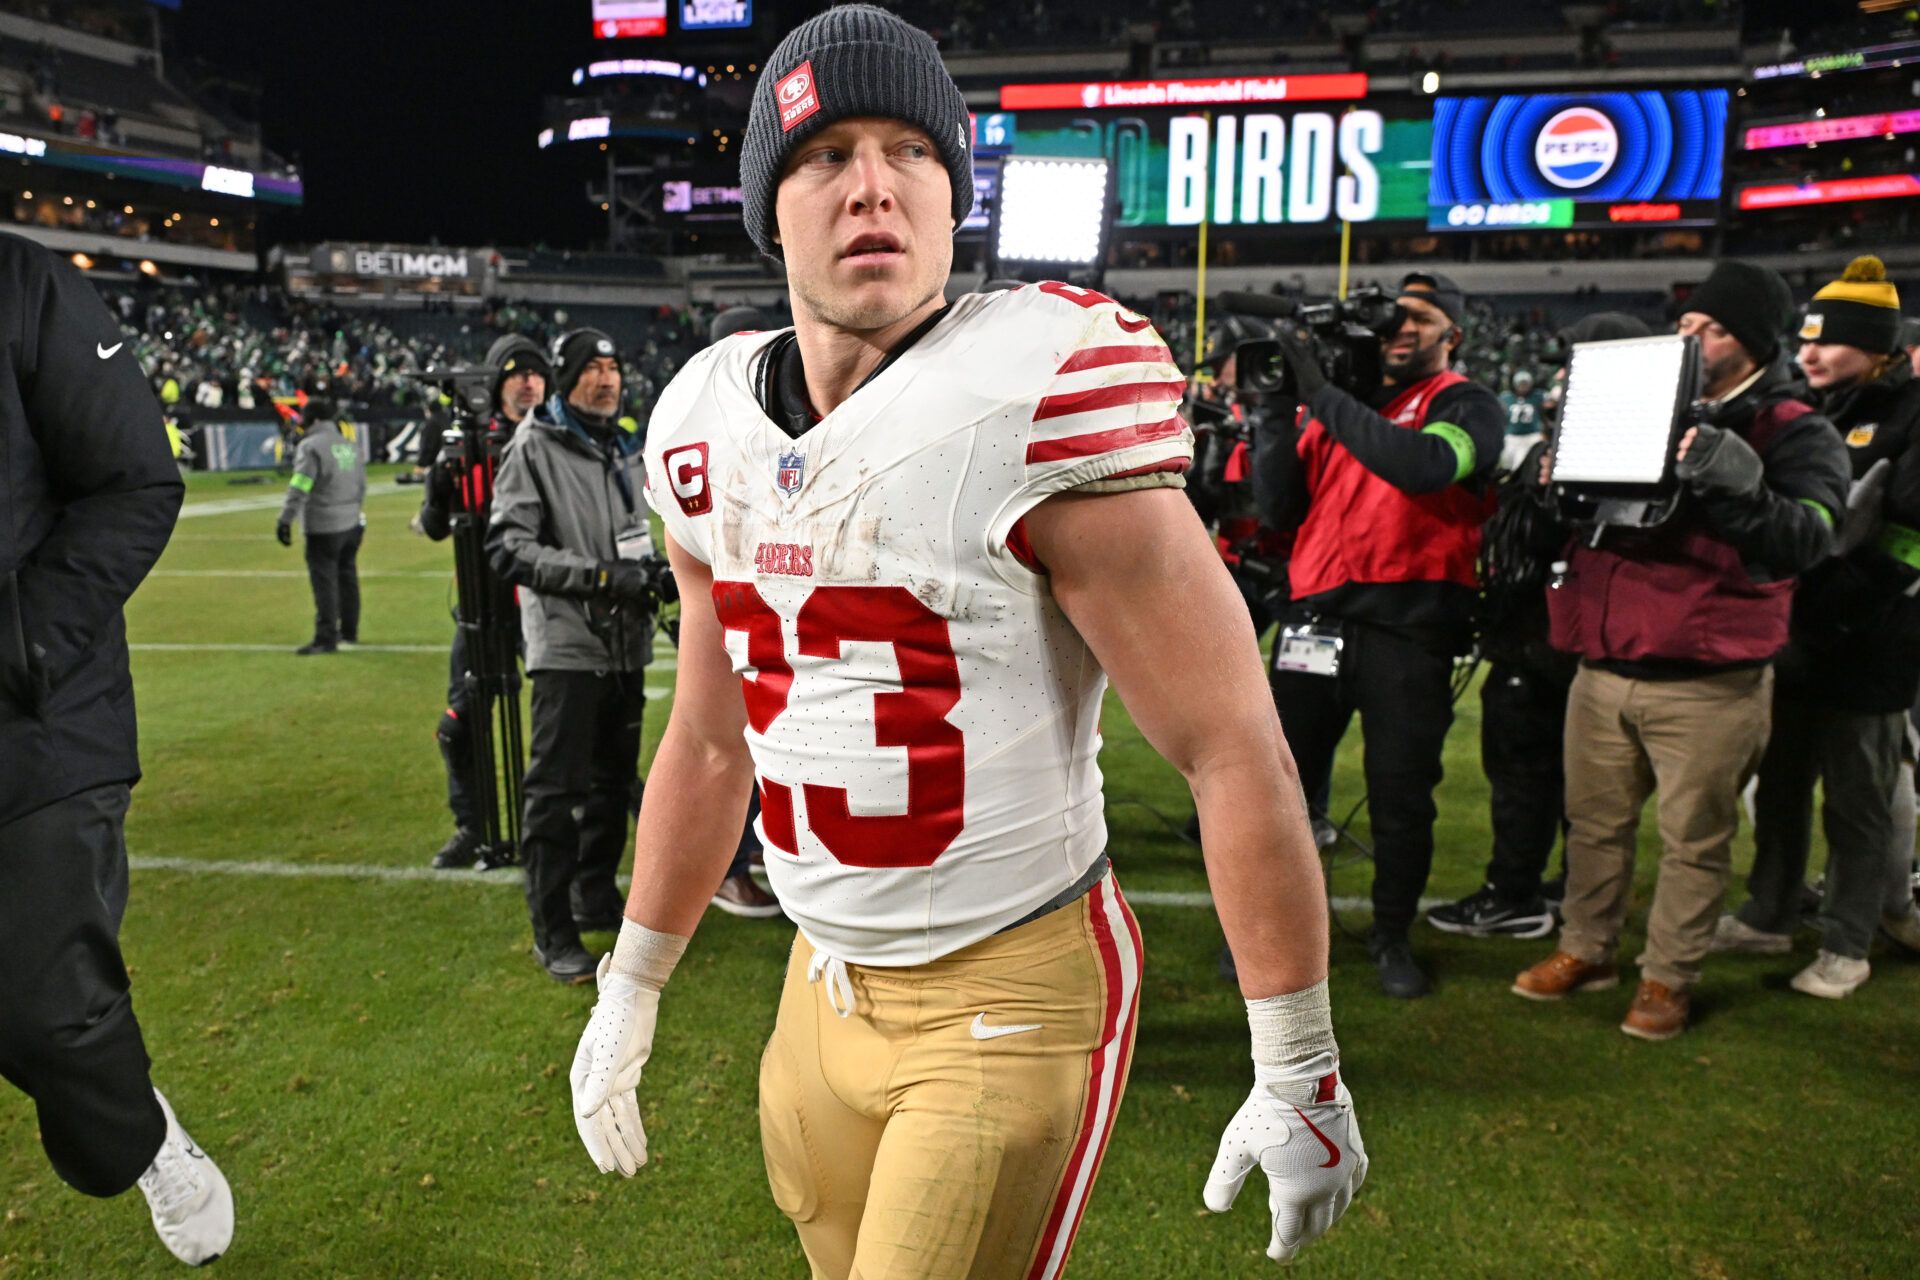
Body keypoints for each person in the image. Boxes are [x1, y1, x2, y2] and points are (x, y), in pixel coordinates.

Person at [567, 7, 1365, 1276]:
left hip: (1012, 977)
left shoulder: (1041, 387)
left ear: (954, 193)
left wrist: (1301, 1054)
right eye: (827, 154)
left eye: (911, 152)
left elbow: (1230, 746)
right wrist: (636, 977)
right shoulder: (700, 417)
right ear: (769, 206)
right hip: (817, 974)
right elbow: (713, 743)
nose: (874, 185)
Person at [1514, 260, 1850, 1040]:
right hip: (1602, 663)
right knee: (1593, 825)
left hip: (1709, 675)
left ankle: (1667, 976)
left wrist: (1740, 486)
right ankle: (1587, 949)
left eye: (1717, 328)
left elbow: (1808, 539)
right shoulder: (1632, 401)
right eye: (1690, 323)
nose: (1693, 337)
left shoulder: (1797, 427)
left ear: (1759, 345)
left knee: (1695, 840)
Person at [0, 231, 232, 1264]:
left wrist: (22, 641)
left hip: (41, 715)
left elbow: (138, 480)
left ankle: (134, 1133)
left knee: (53, 1010)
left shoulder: (23, 281)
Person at [1259, 271, 1506, 997]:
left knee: (1400, 798)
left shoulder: (1466, 404)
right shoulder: (1338, 410)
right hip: (1314, 624)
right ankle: (1266, 938)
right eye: (1392, 315)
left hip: (1409, 634)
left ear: (1452, 336)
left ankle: (1391, 937)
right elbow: (1278, 510)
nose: (1401, 327)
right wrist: (1278, 412)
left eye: (1421, 317)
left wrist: (1322, 396)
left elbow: (1423, 466)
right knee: (1281, 795)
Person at [1710, 257, 1920, 995]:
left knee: (1858, 801)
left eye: (1827, 341)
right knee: (1781, 787)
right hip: (1792, 639)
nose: (1808, 353)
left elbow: (1907, 541)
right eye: (1804, 340)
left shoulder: (1910, 412)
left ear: (1877, 344)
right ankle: (1769, 912)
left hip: (1872, 647)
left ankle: (1848, 941)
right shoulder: (1810, 408)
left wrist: (1841, 611)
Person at [1428, 312, 1651, 939]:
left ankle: (1515, 892)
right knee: (1580, 786)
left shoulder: (1604, 439)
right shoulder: (1601, 431)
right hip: (1580, 643)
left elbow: (1534, 540)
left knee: (1530, 774)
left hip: (1550, 641)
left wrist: (1537, 501)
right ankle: (1568, 886)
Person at [487, 329, 662, 982]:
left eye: (613, 365)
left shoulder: (621, 446)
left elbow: (632, 538)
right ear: (566, 378)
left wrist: (650, 575)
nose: (607, 377)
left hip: (625, 642)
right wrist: (597, 576)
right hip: (566, 645)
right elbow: (509, 547)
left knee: (614, 782)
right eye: (591, 366)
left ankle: (594, 894)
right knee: (556, 792)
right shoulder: (534, 444)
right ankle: (551, 929)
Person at [420, 334, 547, 869]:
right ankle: (473, 827)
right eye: (515, 373)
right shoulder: (468, 447)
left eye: (536, 373)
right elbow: (432, 527)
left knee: (566, 727)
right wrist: (438, 483)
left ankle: (567, 834)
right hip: (478, 607)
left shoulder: (554, 442)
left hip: (541, 606)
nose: (527, 382)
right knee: (458, 726)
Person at [275, 385, 367, 655]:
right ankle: (349, 630)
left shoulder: (311, 446)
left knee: (324, 580)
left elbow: (300, 485)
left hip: (324, 524)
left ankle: (326, 637)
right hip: (352, 521)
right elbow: (362, 485)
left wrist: (285, 518)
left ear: (313, 419)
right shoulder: (349, 445)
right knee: (348, 576)